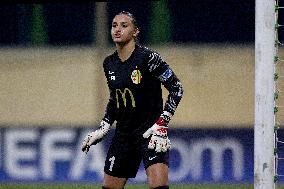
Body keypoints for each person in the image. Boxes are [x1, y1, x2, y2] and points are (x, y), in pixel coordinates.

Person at [81, 11, 183, 189]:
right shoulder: (109, 63)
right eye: (114, 25)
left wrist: (162, 123)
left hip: (150, 133)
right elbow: (115, 99)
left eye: (124, 25)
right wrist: (104, 127)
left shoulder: (149, 58)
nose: (117, 29)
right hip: (123, 136)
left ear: (135, 31)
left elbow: (177, 88)